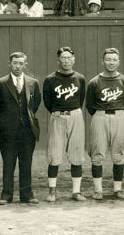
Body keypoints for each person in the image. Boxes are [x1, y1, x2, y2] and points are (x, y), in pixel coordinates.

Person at [0, 52, 41, 205]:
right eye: (15, 63)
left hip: (27, 131)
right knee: (9, 162)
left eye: (21, 63)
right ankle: (6, 195)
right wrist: (7, 121)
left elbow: (35, 104)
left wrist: (25, 120)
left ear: (25, 65)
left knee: (26, 163)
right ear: (10, 64)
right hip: (8, 132)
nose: (18, 66)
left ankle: (27, 194)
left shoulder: (33, 82)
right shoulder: (1, 83)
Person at [86, 48, 124, 200]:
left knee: (119, 154)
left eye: (114, 60)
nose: (111, 63)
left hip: (119, 115)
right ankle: (98, 190)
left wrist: (117, 114)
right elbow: (90, 105)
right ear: (103, 61)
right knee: (97, 154)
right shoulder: (94, 82)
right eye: (108, 59)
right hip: (100, 116)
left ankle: (118, 189)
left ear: (118, 62)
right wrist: (101, 114)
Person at [41, 47, 88, 202]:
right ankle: (52, 191)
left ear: (73, 60)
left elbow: (81, 100)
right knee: (54, 155)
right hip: (57, 117)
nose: (66, 61)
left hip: (75, 115)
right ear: (58, 60)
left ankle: (76, 192)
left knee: (77, 155)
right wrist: (58, 113)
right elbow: (47, 102)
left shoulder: (80, 78)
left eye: (69, 58)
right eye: (63, 58)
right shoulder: (50, 79)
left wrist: (72, 112)